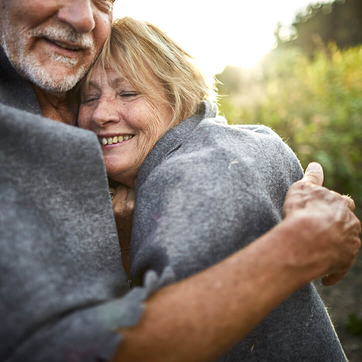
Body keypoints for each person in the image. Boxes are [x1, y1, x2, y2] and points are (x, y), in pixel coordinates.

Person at [0, 2, 360, 361]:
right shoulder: (248, 139)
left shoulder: (195, 175)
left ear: (178, 95)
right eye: (88, 98)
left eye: (128, 93)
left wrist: (306, 244)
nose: (101, 114)